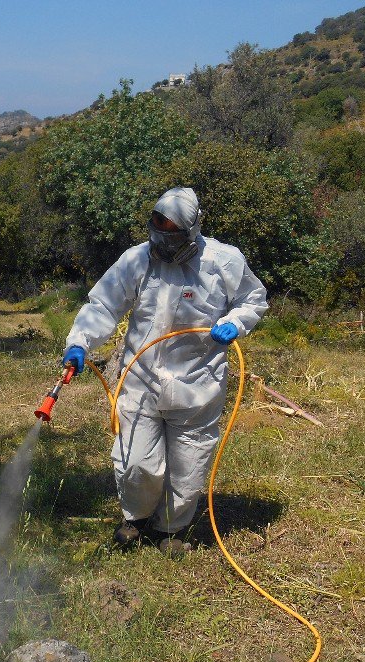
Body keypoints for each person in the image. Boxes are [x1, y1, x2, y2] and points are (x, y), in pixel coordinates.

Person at [62, 187, 268, 557]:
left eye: (172, 234)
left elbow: (253, 299)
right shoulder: (136, 260)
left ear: (192, 231)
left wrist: (235, 323)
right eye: (158, 232)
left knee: (188, 465)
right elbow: (103, 305)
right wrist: (80, 342)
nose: (163, 243)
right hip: (139, 380)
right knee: (136, 461)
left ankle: (170, 529)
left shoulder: (224, 260)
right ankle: (136, 519)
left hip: (197, 382)